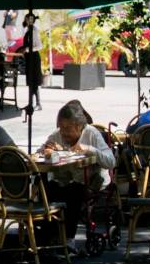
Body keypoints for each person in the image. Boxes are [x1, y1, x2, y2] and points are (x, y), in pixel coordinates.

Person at [40, 102, 116, 241]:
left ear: (79, 126)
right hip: (65, 180)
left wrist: (89, 150)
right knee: (46, 189)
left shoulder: (91, 134)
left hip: (91, 181)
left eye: (68, 128)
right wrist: (48, 151)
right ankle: (48, 234)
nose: (63, 132)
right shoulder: (58, 134)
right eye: (61, 127)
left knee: (73, 191)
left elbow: (111, 161)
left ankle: (69, 238)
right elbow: (40, 152)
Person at [21, 12, 43, 110]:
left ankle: (38, 104)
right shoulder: (27, 30)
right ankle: (31, 103)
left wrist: (27, 50)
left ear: (33, 20)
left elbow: (39, 46)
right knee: (30, 81)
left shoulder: (34, 30)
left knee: (34, 81)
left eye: (30, 19)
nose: (28, 20)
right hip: (29, 58)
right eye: (27, 19)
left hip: (34, 58)